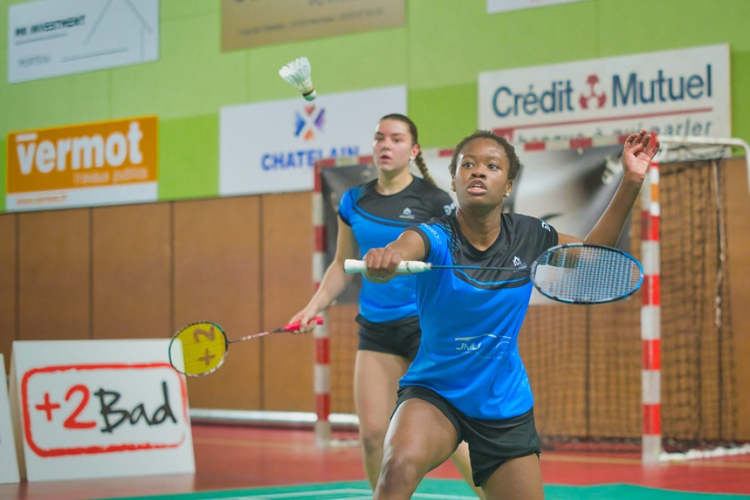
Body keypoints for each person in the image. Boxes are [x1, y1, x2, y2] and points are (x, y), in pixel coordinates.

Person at [361, 129, 660, 500]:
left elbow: (594, 254)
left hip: (502, 403)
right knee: (398, 467)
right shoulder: (436, 236)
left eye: (491, 166)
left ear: (507, 185)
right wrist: (388, 254)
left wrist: (631, 179)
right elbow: (407, 245)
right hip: (436, 393)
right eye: (467, 165)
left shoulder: (530, 235)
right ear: (454, 180)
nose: (478, 172)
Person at [290, 114, 483, 497]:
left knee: (458, 436)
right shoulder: (354, 201)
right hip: (376, 330)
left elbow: (453, 265)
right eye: (379, 138)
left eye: (395, 139)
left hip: (426, 330)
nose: (385, 145)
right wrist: (314, 306)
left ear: (412, 151)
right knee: (374, 435)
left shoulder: (434, 201)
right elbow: (342, 264)